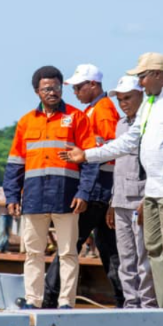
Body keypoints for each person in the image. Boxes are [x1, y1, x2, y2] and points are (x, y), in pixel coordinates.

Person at [61, 53, 163, 308]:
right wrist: (87, 155)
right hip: (142, 194)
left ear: (156, 74)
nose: (141, 83)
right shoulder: (148, 106)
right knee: (145, 254)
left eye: (142, 77)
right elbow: (125, 146)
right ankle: (142, 307)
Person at [3, 66, 97, 309]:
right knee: (33, 253)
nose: (52, 92)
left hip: (67, 196)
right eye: (46, 89)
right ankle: (33, 301)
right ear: (37, 91)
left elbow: (90, 159)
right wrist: (11, 196)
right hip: (34, 197)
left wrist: (84, 192)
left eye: (56, 87)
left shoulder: (77, 118)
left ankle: (66, 303)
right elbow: (15, 163)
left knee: (68, 253)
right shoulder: (26, 122)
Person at [43, 64, 124, 308]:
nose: (75, 92)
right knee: (110, 251)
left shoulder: (103, 110)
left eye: (78, 87)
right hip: (101, 189)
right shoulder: (93, 110)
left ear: (93, 85)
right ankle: (125, 301)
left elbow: (111, 150)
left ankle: (48, 298)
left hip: (98, 188)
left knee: (70, 244)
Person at [104, 76, 157, 308]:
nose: (123, 103)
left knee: (144, 259)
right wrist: (112, 202)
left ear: (141, 95)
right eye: (120, 99)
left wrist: (148, 200)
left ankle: (147, 305)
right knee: (126, 258)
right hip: (121, 201)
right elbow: (119, 166)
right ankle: (131, 304)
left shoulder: (151, 124)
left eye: (128, 97)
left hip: (141, 200)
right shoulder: (121, 125)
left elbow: (154, 167)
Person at [0, 185, 12, 252]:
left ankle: (6, 248)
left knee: (8, 231)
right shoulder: (0, 189)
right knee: (2, 231)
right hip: (2, 214)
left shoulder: (12, 189)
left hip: (10, 213)